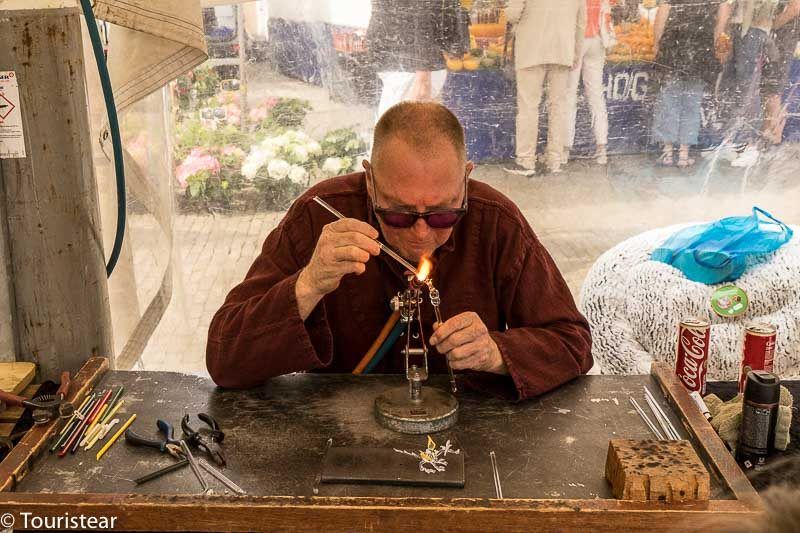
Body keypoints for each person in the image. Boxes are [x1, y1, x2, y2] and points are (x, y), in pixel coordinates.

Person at [206, 102, 593, 400]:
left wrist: (496, 352)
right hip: (340, 437)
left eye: (442, 215)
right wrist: (307, 285)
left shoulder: (495, 222)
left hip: (465, 438)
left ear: (465, 180)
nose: (422, 234)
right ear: (370, 182)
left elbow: (572, 342)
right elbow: (224, 360)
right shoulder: (320, 215)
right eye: (398, 215)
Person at [504, 0, 587, 176]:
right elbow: (581, 23)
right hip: (563, 50)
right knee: (558, 107)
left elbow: (512, 14)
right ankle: (554, 160)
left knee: (528, 106)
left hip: (531, 50)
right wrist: (576, 54)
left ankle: (526, 161)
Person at [366, 0, 467, 120]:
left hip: (411, 71)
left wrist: (423, 77)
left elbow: (423, 15)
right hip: (404, 66)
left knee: (396, 131)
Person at [715, 0, 785, 167]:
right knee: (736, 88)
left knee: (748, 89)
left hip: (752, 30)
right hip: (743, 28)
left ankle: (749, 145)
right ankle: (733, 143)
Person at [652, 0, 719, 167]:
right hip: (701, 48)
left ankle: (667, 154)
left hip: (674, 46)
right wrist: (712, 41)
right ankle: (683, 155)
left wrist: (657, 43)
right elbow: (724, 11)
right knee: (691, 104)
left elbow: (663, 10)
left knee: (668, 101)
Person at [564, 0, 613, 166]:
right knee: (596, 96)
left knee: (569, 95)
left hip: (576, 39)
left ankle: (565, 149)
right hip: (598, 38)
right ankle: (602, 149)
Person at [761, 0, 800, 145]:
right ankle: (768, 136)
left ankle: (772, 137)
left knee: (772, 89)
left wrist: (771, 26)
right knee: (768, 90)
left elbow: (795, 7)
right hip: (780, 37)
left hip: (783, 37)